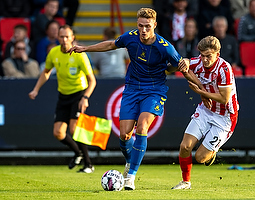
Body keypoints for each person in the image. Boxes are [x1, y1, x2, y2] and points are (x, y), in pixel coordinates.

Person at [67, 7, 204, 190]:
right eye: (140, 26)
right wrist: (85, 48)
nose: (144, 30)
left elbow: (183, 68)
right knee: (124, 136)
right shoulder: (130, 37)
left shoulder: (165, 47)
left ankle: (130, 176)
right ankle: (130, 162)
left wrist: (203, 91)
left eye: (147, 26)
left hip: (154, 90)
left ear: (154, 25)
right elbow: (110, 45)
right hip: (132, 89)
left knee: (142, 126)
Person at [171, 36, 239, 190]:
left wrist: (201, 91)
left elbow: (224, 98)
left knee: (200, 158)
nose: (205, 59)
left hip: (225, 117)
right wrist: (186, 61)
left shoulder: (224, 69)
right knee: (185, 146)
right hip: (206, 110)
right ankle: (185, 182)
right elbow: (186, 66)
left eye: (209, 56)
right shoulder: (200, 62)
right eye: (202, 55)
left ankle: (211, 153)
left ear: (218, 54)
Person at [28, 25, 97, 173]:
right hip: (63, 95)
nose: (64, 40)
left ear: (72, 38)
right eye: (62, 36)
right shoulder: (53, 52)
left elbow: (92, 80)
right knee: (58, 133)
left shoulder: (79, 55)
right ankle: (77, 153)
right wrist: (36, 89)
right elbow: (46, 72)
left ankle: (88, 164)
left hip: (78, 94)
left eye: (67, 36)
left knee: (74, 129)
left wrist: (85, 97)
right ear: (57, 38)